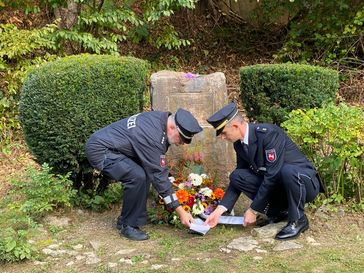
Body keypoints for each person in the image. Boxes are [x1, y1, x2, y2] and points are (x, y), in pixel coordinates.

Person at [205, 103, 324, 240]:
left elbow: (272, 175)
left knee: (287, 171)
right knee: (237, 176)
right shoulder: (239, 144)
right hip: (282, 185)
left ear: (236, 126)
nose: (222, 138)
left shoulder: (269, 134)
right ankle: (280, 213)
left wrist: (253, 210)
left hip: (304, 182)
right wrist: (220, 210)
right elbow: (239, 176)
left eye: (223, 133)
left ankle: (298, 219)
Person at [85, 108, 203, 241]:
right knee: (137, 176)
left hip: (114, 148)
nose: (180, 144)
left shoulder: (160, 120)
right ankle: (128, 226)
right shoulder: (153, 136)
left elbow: (155, 170)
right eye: (180, 139)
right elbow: (159, 177)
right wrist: (180, 211)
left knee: (144, 173)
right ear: (171, 127)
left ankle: (126, 220)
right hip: (101, 151)